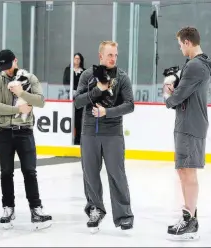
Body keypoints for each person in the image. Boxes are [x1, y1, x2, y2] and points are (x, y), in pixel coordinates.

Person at [74, 41, 135, 233]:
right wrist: (98, 90)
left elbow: (130, 105)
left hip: (113, 133)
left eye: (115, 55)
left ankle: (124, 215)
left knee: (117, 173)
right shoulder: (87, 75)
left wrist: (106, 112)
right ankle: (95, 209)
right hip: (89, 131)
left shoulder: (122, 77)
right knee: (90, 173)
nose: (113, 58)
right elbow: (78, 101)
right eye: (110, 55)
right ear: (100, 56)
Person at [0, 49, 52, 230]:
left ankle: (36, 209)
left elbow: (40, 101)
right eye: (3, 67)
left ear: (15, 61)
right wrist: (19, 110)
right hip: (3, 133)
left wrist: (21, 93)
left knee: (30, 171)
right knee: (6, 172)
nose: (7, 70)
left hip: (24, 131)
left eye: (9, 66)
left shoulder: (29, 79)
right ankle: (8, 208)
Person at [163, 27, 211, 240]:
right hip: (189, 123)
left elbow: (176, 98)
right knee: (184, 170)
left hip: (190, 125)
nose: (180, 49)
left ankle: (190, 220)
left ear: (187, 42)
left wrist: (168, 94)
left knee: (187, 171)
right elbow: (184, 92)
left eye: (180, 45)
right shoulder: (198, 64)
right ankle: (189, 216)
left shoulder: (194, 65)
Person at [63, 53, 86, 145]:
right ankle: (68, 139)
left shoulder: (83, 71)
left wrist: (78, 92)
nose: (76, 60)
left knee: (79, 119)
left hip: (80, 97)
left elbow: (85, 83)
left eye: (78, 59)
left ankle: (78, 140)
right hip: (69, 97)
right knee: (69, 118)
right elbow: (65, 82)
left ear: (81, 60)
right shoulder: (68, 70)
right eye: (75, 58)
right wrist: (71, 91)